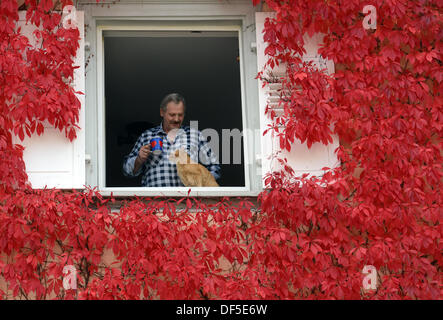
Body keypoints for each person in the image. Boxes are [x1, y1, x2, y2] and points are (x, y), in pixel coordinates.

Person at [122, 93, 220, 187]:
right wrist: (139, 159)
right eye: (172, 115)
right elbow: (127, 171)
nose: (176, 119)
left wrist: (205, 184)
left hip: (189, 202)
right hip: (154, 202)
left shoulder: (195, 135)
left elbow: (214, 166)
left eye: (180, 115)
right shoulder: (147, 136)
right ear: (162, 112)